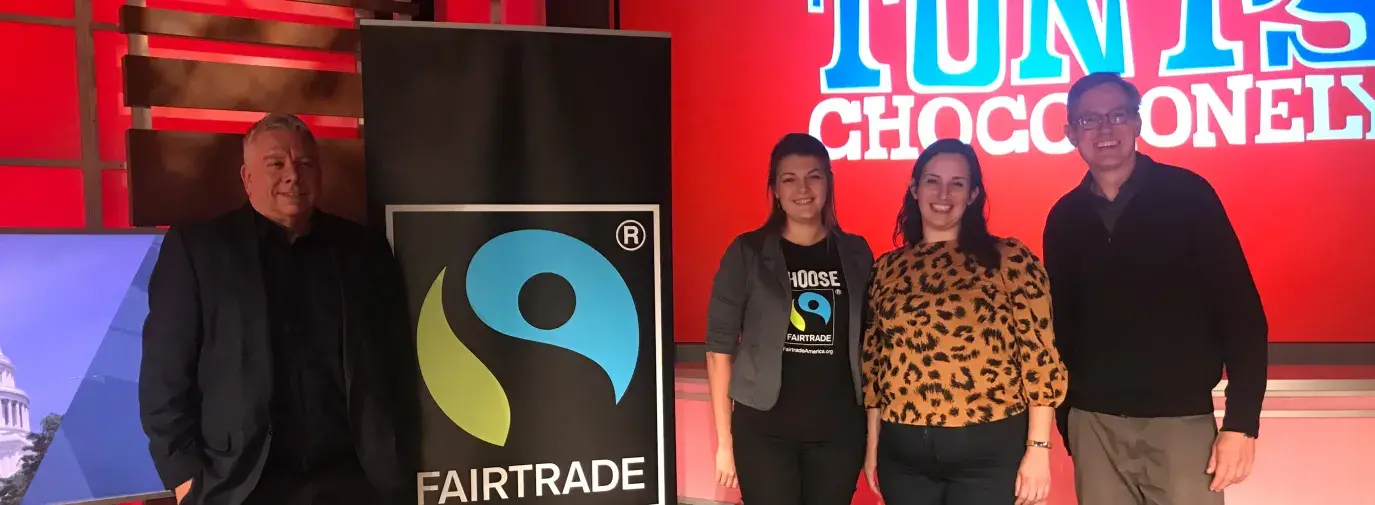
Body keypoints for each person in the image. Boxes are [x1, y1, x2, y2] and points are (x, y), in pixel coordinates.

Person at [139, 113, 417, 505]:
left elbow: (399, 363)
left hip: (355, 479)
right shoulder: (198, 250)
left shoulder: (365, 251)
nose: (292, 175)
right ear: (247, 177)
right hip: (240, 484)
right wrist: (184, 477)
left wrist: (398, 456)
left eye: (304, 163)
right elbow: (163, 374)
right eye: (276, 164)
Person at [1043, 72, 1268, 505]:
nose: (1104, 129)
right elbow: (1061, 329)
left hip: (1181, 422)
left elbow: (1242, 313)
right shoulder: (1064, 218)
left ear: (1138, 123)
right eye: (1088, 120)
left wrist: (1242, 423)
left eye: (1117, 115)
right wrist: (1068, 416)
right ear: (1071, 133)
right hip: (1094, 425)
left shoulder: (1188, 195)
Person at [861, 138, 1067, 505]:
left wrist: (1038, 448)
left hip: (988, 453)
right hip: (903, 455)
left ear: (973, 194)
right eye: (932, 180)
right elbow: (875, 365)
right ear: (914, 188)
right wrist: (873, 445)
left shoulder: (1010, 259)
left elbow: (1040, 358)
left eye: (957, 183)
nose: (943, 193)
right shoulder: (887, 268)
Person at [702, 133, 875, 505]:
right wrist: (725, 442)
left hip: (839, 432)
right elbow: (719, 349)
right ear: (775, 189)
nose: (803, 189)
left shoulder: (856, 252)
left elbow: (871, 344)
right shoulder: (747, 252)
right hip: (765, 433)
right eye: (789, 179)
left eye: (814, 176)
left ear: (828, 182)